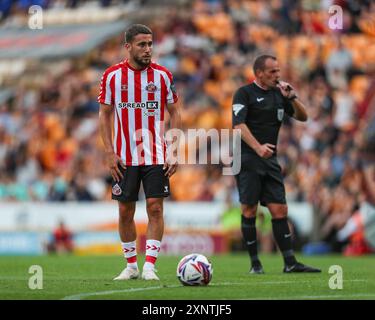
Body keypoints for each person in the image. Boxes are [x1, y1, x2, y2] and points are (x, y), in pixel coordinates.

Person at [98, 24, 181, 281]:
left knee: (155, 208)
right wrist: (110, 152)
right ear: (128, 47)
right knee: (125, 210)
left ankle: (150, 266)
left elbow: (175, 112)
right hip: (124, 156)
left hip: (156, 154)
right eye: (142, 44)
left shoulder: (163, 76)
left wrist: (174, 149)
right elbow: (104, 114)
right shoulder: (112, 76)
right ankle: (131, 265)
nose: (148, 49)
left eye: (150, 44)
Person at [232, 54, 321, 274]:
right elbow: (238, 126)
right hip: (247, 158)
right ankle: (255, 263)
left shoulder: (279, 95)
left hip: (270, 159)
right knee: (249, 209)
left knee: (280, 209)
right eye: (272, 71)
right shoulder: (244, 93)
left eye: (278, 70)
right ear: (259, 73)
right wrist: (258, 147)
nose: (277, 75)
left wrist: (292, 98)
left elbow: (303, 117)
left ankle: (290, 263)